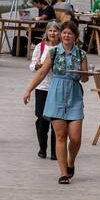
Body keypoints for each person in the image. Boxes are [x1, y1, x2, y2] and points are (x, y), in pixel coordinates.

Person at [22, 20, 90, 184]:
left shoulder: (81, 54)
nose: (66, 35)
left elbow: (85, 78)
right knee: (60, 135)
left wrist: (84, 73)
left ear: (75, 36)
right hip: (56, 94)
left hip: (74, 95)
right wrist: (29, 89)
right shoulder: (53, 52)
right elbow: (42, 73)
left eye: (70, 33)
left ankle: (71, 161)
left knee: (75, 138)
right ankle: (63, 173)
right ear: (61, 34)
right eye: (64, 32)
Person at [28, 21, 60, 159]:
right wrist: (37, 66)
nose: (52, 33)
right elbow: (32, 65)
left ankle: (55, 151)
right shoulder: (40, 47)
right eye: (50, 31)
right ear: (47, 32)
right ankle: (42, 147)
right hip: (42, 87)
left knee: (56, 120)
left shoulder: (62, 48)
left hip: (57, 88)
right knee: (41, 118)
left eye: (55, 31)